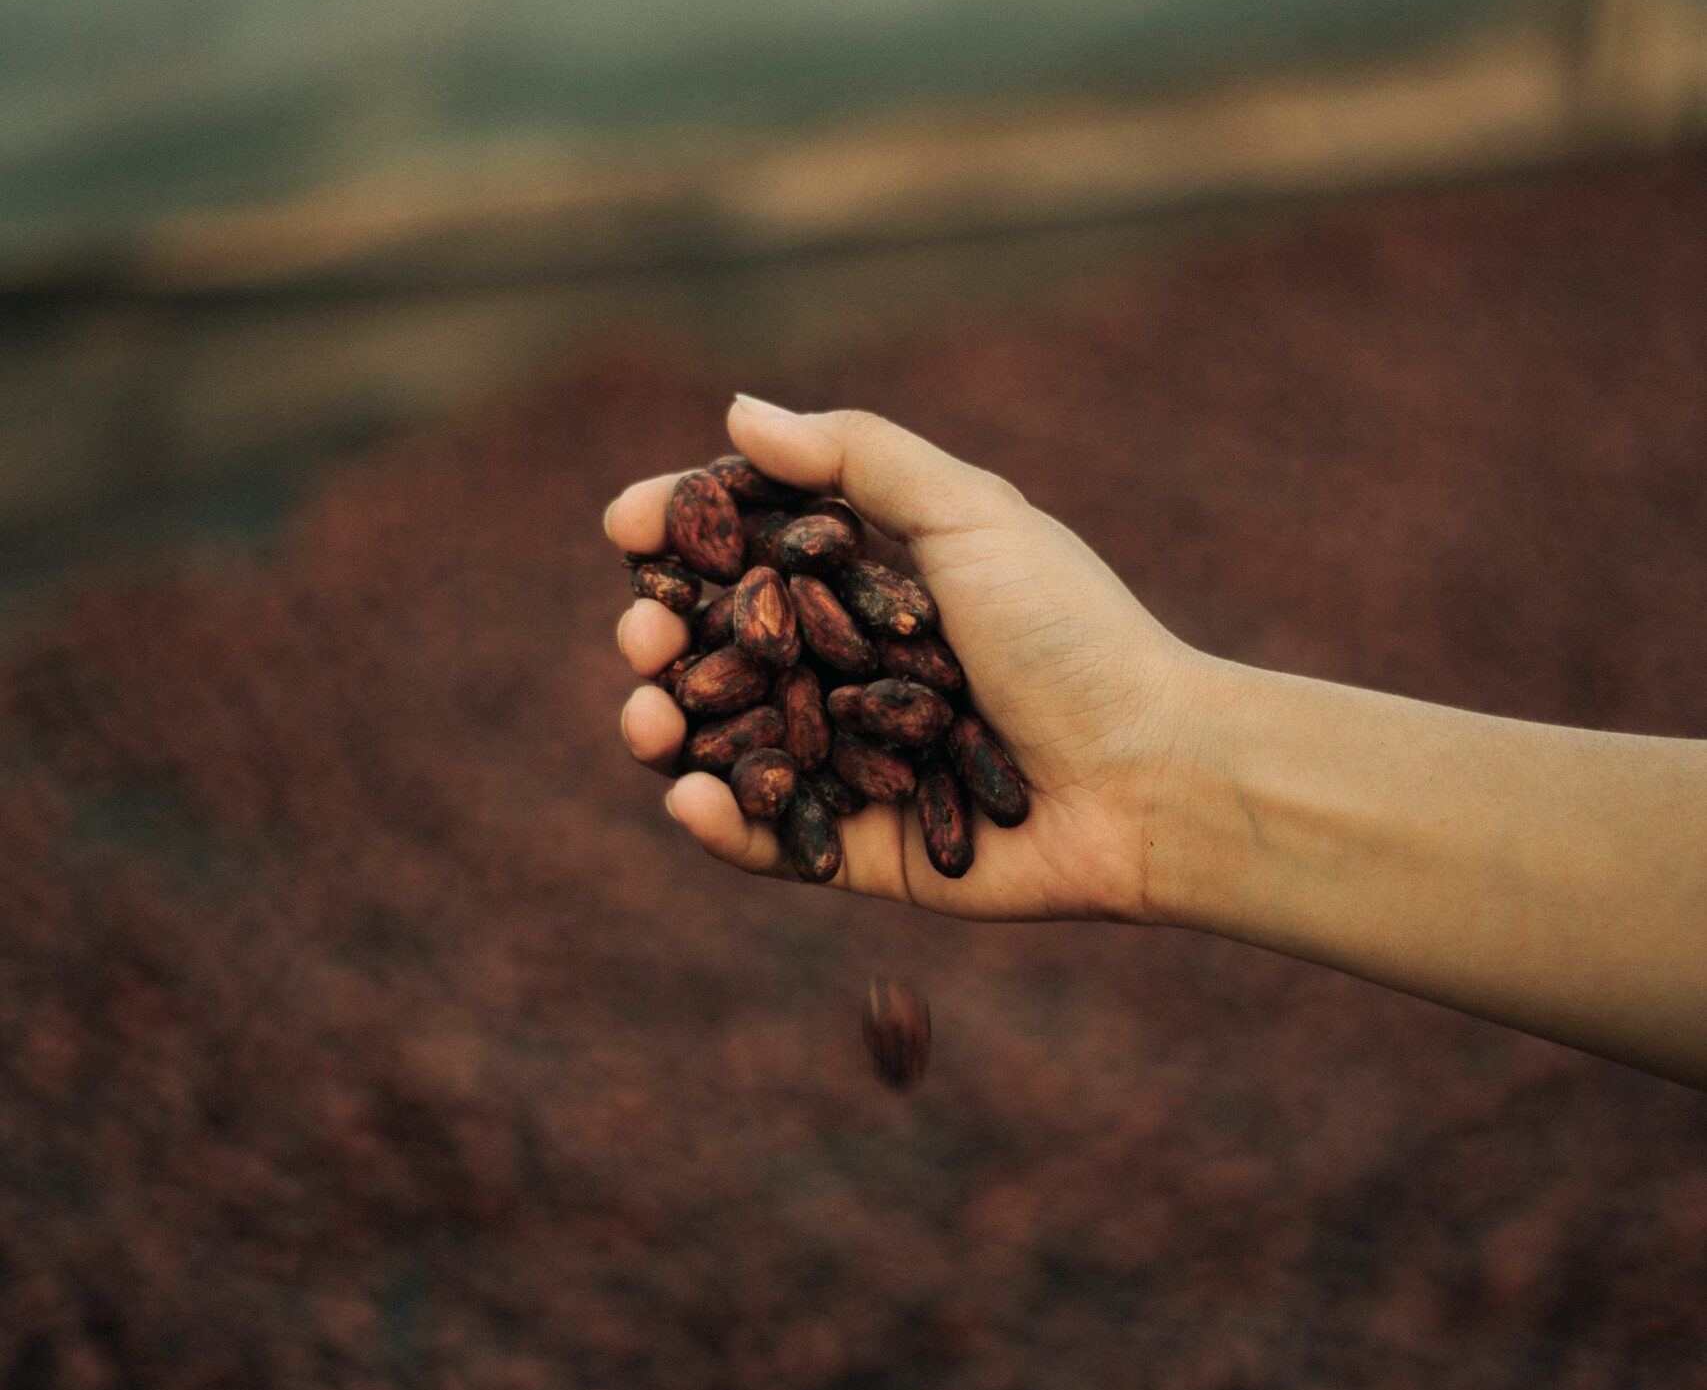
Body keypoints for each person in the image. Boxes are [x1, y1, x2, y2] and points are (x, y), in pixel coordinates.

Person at [607, 397, 1707, 1092]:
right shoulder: (810, 636)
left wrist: (1152, 758)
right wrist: (1158, 763)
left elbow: (845, 675)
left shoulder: (847, 649)